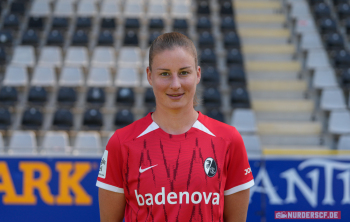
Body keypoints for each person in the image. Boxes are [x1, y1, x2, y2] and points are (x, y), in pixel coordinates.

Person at [96, 32, 254, 222]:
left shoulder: (228, 139)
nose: (175, 84)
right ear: (149, 76)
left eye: (184, 72)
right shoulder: (122, 143)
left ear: (198, 74)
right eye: (164, 74)